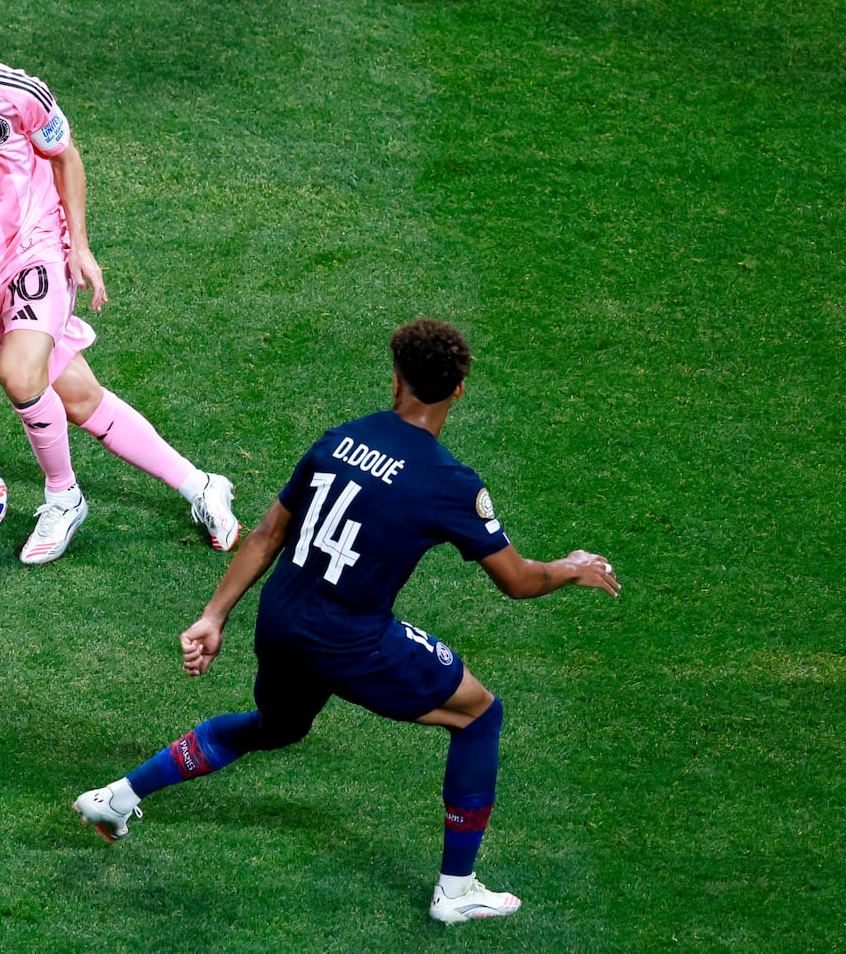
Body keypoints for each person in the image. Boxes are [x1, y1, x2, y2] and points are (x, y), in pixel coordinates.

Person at [73, 319, 621, 923]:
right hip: (351, 639)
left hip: (281, 620)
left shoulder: (342, 439)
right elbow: (517, 581)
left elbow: (267, 533)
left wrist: (213, 615)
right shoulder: (450, 483)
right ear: (459, 390)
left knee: (276, 728)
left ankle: (118, 796)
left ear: (397, 381)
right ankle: (456, 890)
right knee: (478, 715)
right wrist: (570, 567)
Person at [0, 0, 237, 565]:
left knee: (18, 374)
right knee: (77, 398)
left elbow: (65, 157)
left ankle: (64, 498)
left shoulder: (16, 93)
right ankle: (202, 485)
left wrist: (79, 245)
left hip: (37, 249)